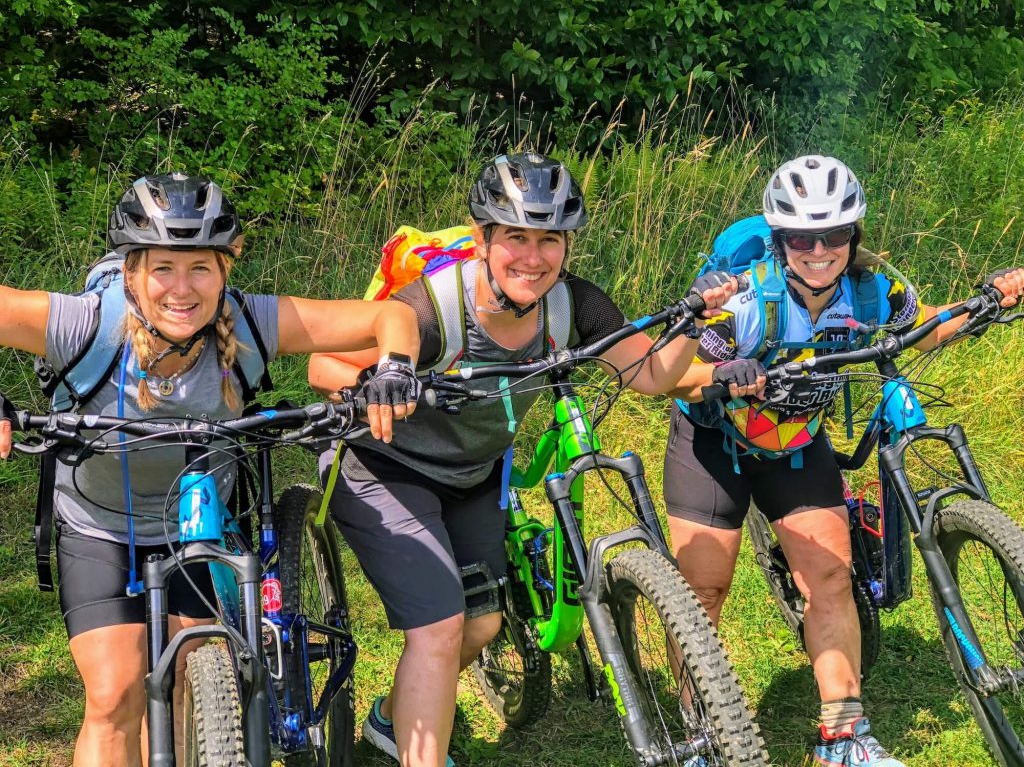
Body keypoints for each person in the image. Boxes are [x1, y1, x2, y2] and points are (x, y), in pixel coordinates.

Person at [307, 151, 737, 767]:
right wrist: (374, 383)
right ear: (484, 239)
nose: (533, 258)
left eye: (549, 240)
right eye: (515, 238)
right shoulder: (433, 307)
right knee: (440, 627)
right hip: (385, 469)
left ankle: (389, 718)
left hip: (472, 475)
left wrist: (697, 320)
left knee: (481, 627)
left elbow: (650, 376)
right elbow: (322, 364)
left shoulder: (571, 305)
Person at [0, 172, 421, 767]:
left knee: (179, 682)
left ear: (226, 270)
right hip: (99, 528)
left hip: (196, 525)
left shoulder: (251, 325)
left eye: (201, 268)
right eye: (163, 269)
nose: (182, 289)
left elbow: (389, 319)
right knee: (115, 694)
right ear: (131, 272)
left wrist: (395, 368)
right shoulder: (85, 323)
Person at [666, 155, 1024, 767]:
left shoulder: (872, 288)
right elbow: (679, 375)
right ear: (781, 238)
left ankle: (844, 736)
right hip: (714, 444)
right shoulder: (746, 297)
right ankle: (696, 734)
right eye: (802, 236)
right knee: (704, 589)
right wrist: (725, 371)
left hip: (798, 444)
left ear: (853, 235)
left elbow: (921, 325)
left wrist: (985, 301)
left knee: (830, 579)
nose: (819, 249)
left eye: (834, 234)